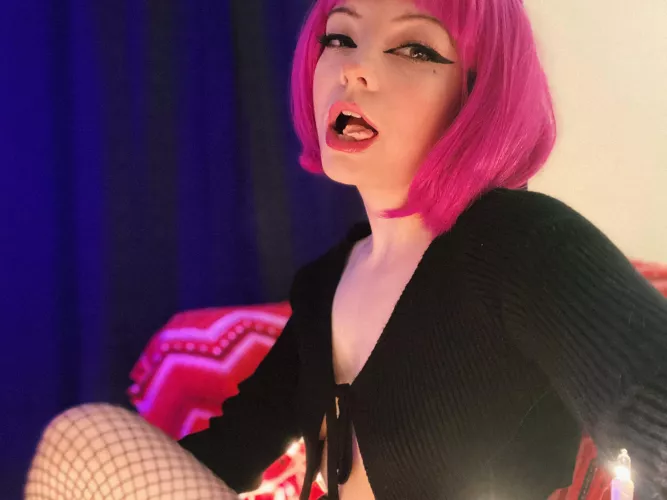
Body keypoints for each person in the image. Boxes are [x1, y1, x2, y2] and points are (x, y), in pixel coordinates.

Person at [24, 0, 667, 499]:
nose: (353, 67)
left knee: (86, 436)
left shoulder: (521, 240)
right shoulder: (325, 283)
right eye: (339, 37)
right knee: (85, 445)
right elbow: (227, 455)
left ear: (478, 95)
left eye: (414, 48)